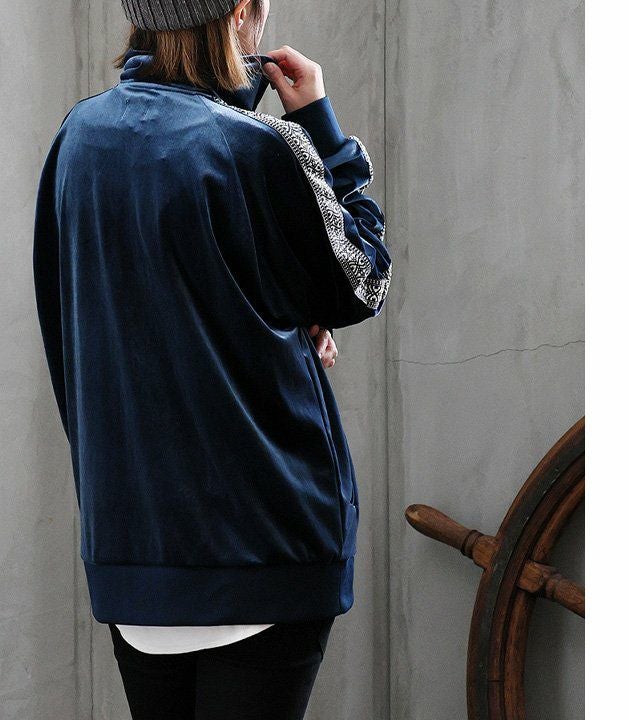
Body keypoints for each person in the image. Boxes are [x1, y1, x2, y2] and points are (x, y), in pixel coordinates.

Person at [32, 0, 392, 716]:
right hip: (266, 544)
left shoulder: (79, 137)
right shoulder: (259, 146)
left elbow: (102, 312)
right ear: (240, 11)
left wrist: (280, 316)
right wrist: (319, 126)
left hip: (134, 544)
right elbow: (365, 279)